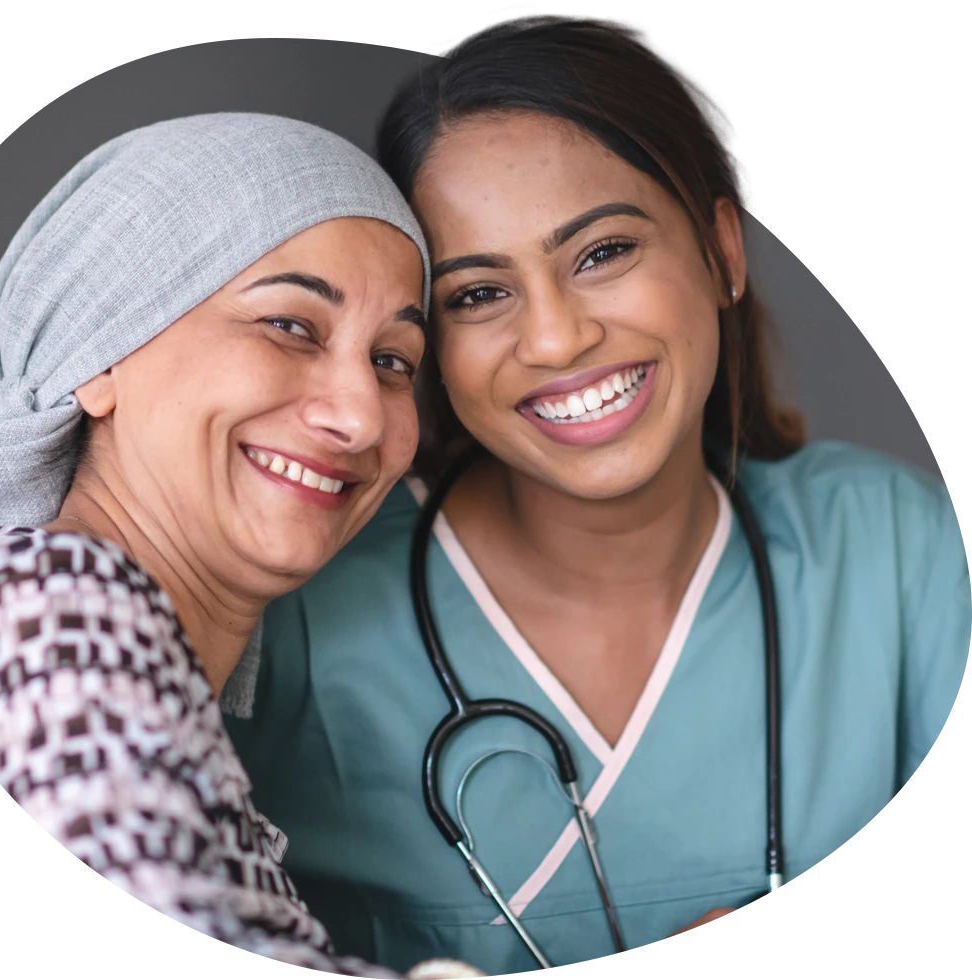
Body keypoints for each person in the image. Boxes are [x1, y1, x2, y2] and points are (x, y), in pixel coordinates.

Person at [210, 15, 972, 975]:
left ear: (721, 251)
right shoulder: (301, 615)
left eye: (602, 252)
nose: (557, 339)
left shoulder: (907, 551)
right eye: (478, 295)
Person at [0, 112, 481, 980]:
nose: (359, 416)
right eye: (290, 325)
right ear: (99, 354)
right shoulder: (53, 610)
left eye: (394, 360)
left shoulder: (28, 617)